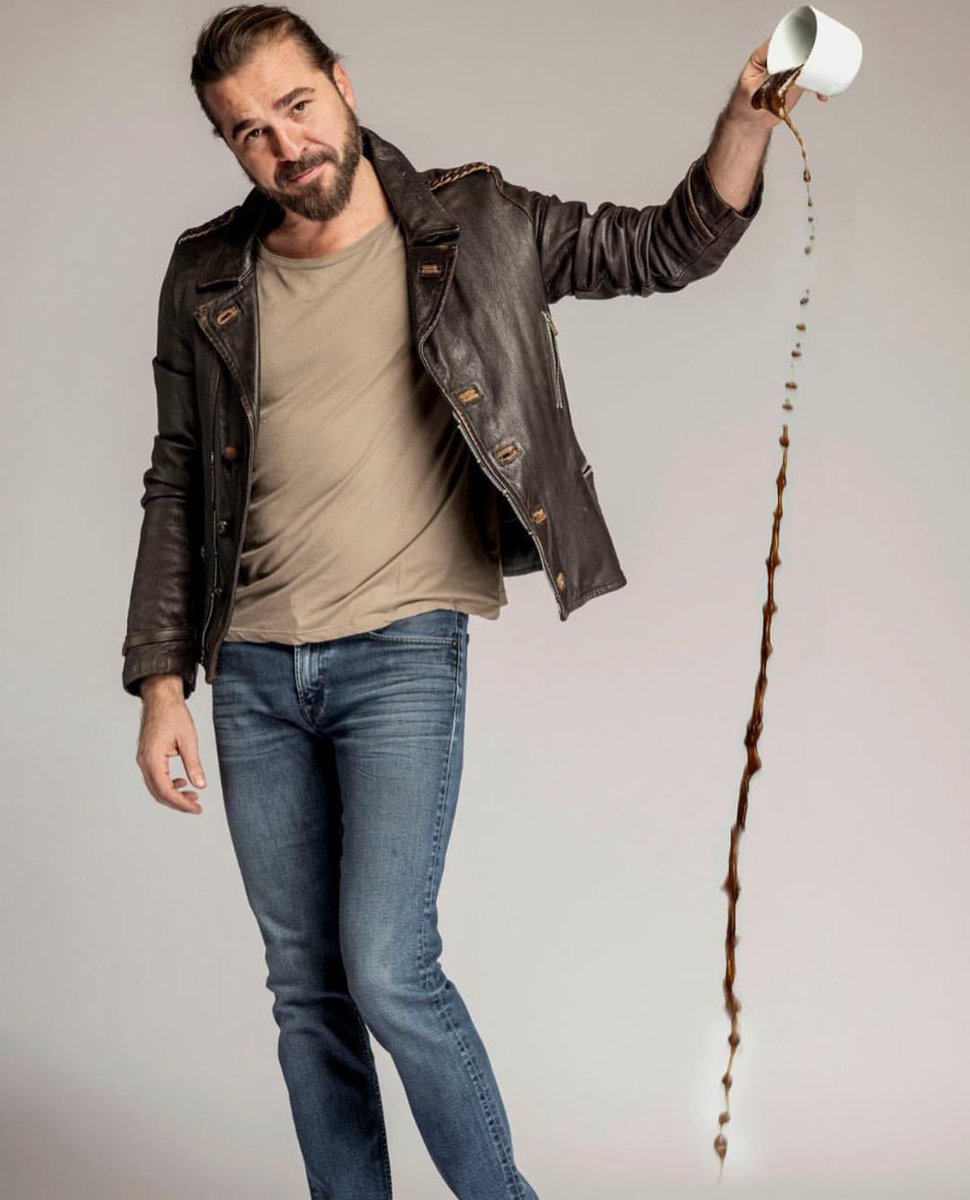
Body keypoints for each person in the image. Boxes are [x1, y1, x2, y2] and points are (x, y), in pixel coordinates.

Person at [122, 6, 826, 1197]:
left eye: (296, 106)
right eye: (247, 132)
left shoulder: (478, 222)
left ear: (343, 85)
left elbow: (663, 249)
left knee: (388, 970)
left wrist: (743, 122)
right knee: (306, 992)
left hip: (399, 650)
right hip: (249, 671)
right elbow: (178, 474)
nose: (284, 146)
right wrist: (159, 685)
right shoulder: (206, 272)